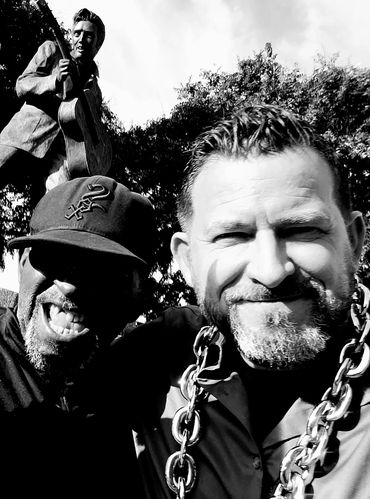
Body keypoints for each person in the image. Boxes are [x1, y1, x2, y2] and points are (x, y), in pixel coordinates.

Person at [112, 104, 369, 498]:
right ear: (185, 260)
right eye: (231, 236)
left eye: (301, 229)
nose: (271, 270)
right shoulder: (146, 361)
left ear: (353, 240)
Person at [0, 174, 156, 497]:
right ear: (21, 263)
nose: (70, 285)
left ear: (135, 296)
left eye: (102, 270)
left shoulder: (139, 388)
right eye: (54, 257)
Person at [0, 8, 109, 192]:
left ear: (97, 45)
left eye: (89, 35)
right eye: (77, 33)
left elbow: (90, 129)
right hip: (25, 135)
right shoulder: (52, 50)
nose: (81, 39)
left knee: (61, 207)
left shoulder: (95, 89)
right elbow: (22, 85)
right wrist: (54, 80)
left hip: (62, 154)